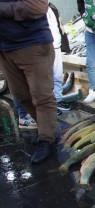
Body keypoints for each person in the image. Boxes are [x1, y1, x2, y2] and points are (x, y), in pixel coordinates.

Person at [0, 0, 57, 164]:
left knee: (42, 96)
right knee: (20, 95)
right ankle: (46, 129)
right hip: (5, 48)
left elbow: (38, 6)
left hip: (33, 44)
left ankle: (47, 138)